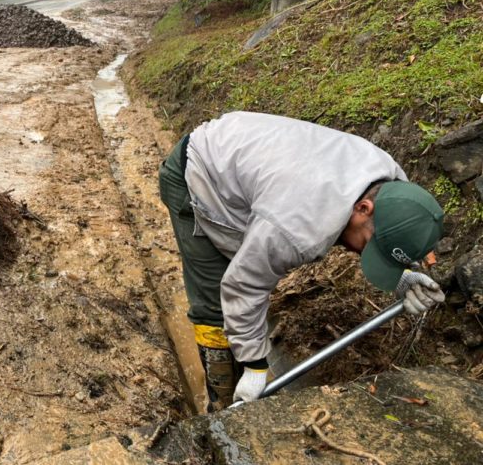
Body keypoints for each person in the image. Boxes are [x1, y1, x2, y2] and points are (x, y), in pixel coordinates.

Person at [158, 111, 445, 410]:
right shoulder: (295, 227)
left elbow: (386, 234)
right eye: (368, 247)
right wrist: (256, 367)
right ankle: (220, 407)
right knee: (215, 302)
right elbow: (243, 285)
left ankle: (240, 357)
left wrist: (402, 275)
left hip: (251, 156)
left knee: (251, 270)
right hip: (199, 171)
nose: (363, 253)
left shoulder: (393, 185)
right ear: (363, 207)